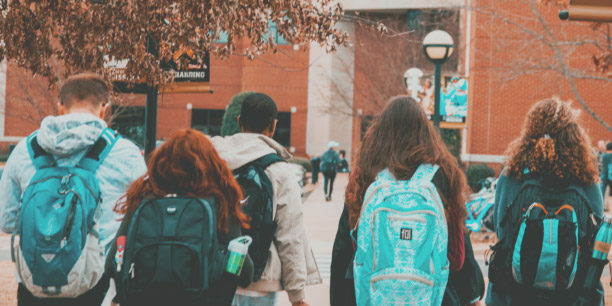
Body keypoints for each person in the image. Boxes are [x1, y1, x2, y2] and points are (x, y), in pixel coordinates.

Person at [0, 73, 147, 305]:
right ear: (104, 108)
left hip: (33, 283)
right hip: (94, 284)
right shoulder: (126, 153)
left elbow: (6, 220)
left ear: (60, 106)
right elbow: (142, 220)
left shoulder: (25, 150)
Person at [341, 96, 478, 305]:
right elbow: (457, 257)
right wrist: (472, 293)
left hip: (373, 295)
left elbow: (346, 246)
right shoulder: (444, 175)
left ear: (380, 131)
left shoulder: (365, 174)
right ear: (425, 131)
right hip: (432, 296)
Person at [106, 129, 254, 305]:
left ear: (161, 163)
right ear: (209, 165)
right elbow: (245, 274)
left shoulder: (144, 201)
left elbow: (112, 264)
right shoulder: (219, 205)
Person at [485, 98, 604, 305]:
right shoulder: (587, 180)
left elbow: (501, 229)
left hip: (514, 294)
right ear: (573, 135)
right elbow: (596, 238)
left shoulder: (512, 175)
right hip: (574, 295)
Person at [211, 92, 321, 306]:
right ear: (273, 127)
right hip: (260, 281)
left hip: (216, 276)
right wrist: (297, 295)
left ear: (239, 122)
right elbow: (290, 235)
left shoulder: (214, 160)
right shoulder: (279, 170)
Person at [600, 142, 612, 210]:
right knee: (610, 194)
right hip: (610, 176)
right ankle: (609, 208)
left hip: (603, 175)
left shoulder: (603, 156)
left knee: (602, 192)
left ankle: (602, 207)